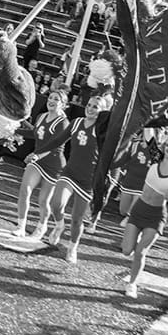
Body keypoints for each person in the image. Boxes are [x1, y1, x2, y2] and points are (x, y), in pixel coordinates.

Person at [42, 93, 112, 262]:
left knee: (77, 220)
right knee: (56, 204)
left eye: (95, 106)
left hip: (88, 179)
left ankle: (73, 247)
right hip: (70, 172)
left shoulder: (103, 130)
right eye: (89, 105)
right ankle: (59, 225)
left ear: (102, 111)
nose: (90, 108)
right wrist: (38, 153)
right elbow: (57, 140)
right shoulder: (76, 123)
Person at [120, 134, 168, 298]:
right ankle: (134, 240)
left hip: (157, 215)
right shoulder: (156, 156)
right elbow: (148, 131)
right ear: (164, 146)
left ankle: (132, 284)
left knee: (140, 252)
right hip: (139, 209)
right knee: (126, 250)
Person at [12, 90, 68, 238]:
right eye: (50, 97)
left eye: (56, 99)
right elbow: (35, 134)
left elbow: (55, 145)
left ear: (63, 104)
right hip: (37, 161)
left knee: (43, 201)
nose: (52, 101)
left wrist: (36, 155)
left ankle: (42, 226)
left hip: (54, 165)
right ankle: (21, 226)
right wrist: (14, 130)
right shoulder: (41, 116)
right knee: (25, 190)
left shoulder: (63, 122)